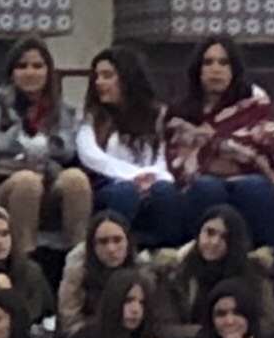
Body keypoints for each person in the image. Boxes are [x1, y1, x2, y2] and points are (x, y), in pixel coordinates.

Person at [0, 37, 91, 260]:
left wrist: (47, 151)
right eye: (22, 66)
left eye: (37, 66)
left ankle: (80, 259)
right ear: (12, 73)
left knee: (76, 179)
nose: (30, 72)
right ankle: (24, 260)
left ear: (48, 71)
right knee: (26, 181)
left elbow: (69, 152)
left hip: (48, 182)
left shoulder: (63, 111)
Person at [167, 35, 274, 255]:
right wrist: (230, 153)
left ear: (234, 69)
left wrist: (215, 145)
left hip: (251, 179)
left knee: (254, 187)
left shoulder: (254, 106)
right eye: (208, 62)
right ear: (198, 70)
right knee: (206, 187)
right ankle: (199, 258)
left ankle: (262, 260)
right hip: (199, 182)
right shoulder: (181, 112)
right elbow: (177, 160)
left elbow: (272, 148)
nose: (216, 69)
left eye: (224, 63)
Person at [77, 47, 195, 248]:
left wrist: (153, 176)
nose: (99, 82)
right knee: (126, 193)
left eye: (107, 76)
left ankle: (168, 253)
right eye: (97, 77)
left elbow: (164, 154)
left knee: (166, 192)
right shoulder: (92, 117)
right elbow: (91, 155)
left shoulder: (158, 115)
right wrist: (134, 176)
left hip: (154, 181)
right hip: (110, 184)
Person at [151, 203, 274, 338]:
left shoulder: (254, 273)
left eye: (225, 237)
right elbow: (164, 328)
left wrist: (234, 333)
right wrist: (214, 333)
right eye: (210, 233)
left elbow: (267, 324)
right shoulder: (174, 272)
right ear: (199, 233)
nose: (215, 242)